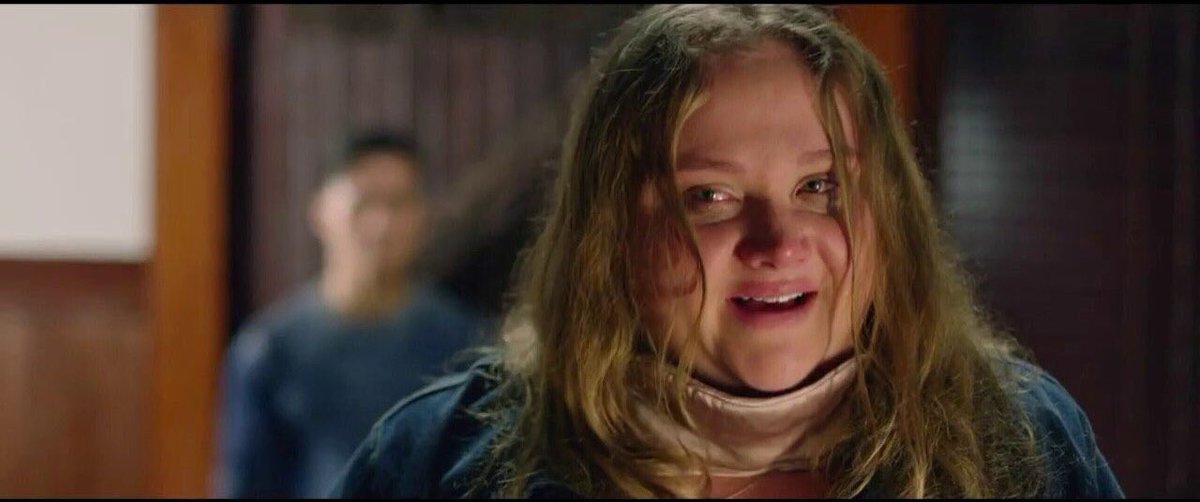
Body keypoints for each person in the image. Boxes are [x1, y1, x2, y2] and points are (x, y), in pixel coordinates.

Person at [331, 5, 1124, 498]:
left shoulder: (1023, 444)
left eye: (821, 187)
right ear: (609, 235)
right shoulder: (437, 460)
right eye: (708, 197)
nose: (778, 244)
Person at [216, 130, 485, 498]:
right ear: (321, 212)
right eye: (364, 204)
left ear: (423, 215)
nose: (382, 225)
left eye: (399, 204)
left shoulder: (462, 341)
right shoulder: (269, 351)